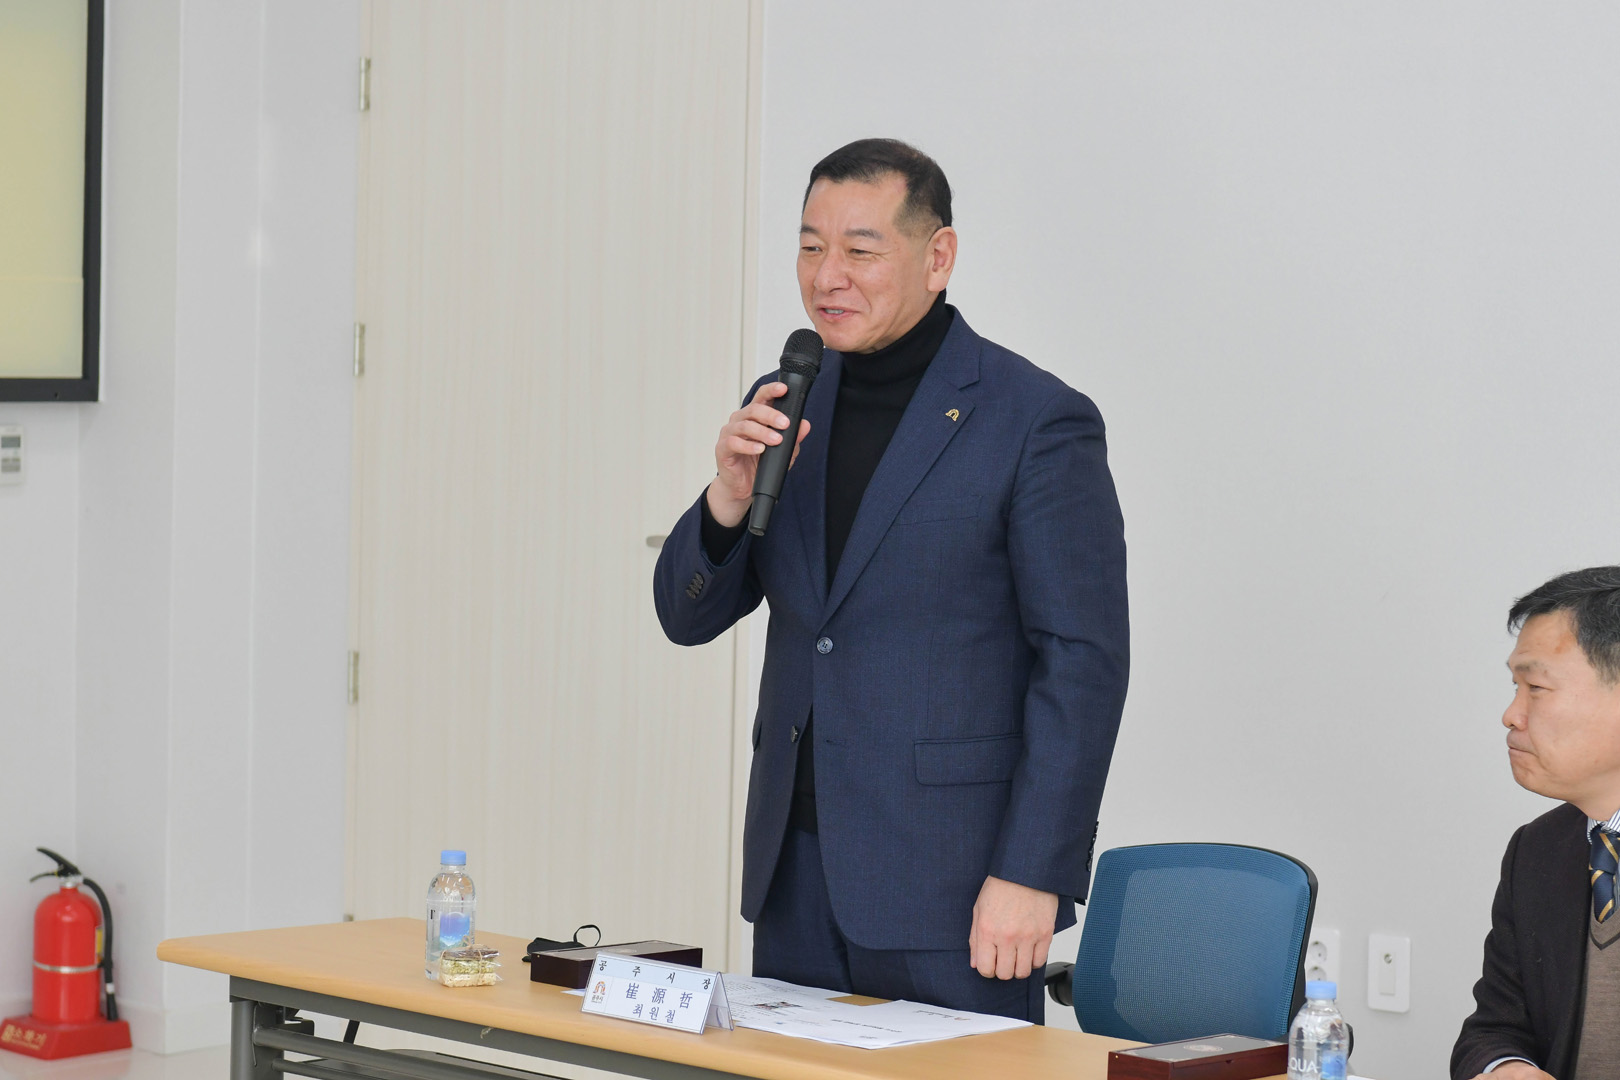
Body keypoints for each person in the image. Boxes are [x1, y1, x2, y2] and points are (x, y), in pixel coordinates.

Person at [652, 138, 1129, 1022]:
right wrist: (726, 499)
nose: (826, 275)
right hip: (795, 874)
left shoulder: (1034, 420)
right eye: (809, 246)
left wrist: (1032, 871)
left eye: (860, 250)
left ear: (937, 257)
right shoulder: (786, 397)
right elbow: (688, 618)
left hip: (955, 888)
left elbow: (1083, 664)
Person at [1453, 566, 1620, 1079]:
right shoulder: (1539, 849)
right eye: (1515, 686)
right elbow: (1492, 1029)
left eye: (1537, 687)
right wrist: (1506, 1067)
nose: (1511, 714)